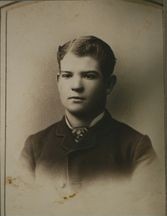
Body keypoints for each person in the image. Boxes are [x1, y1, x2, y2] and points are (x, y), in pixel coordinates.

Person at [20, 35, 156, 194]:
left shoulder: (136, 147)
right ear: (58, 81)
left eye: (89, 76)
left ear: (109, 85)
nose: (76, 86)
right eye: (67, 75)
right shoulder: (35, 146)